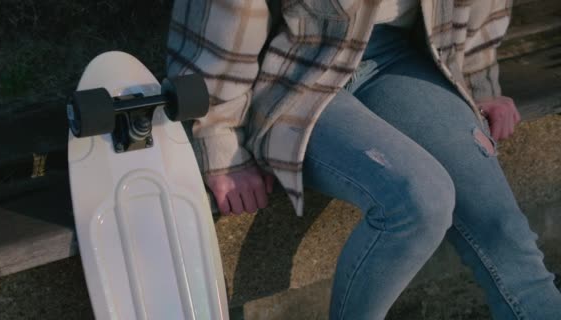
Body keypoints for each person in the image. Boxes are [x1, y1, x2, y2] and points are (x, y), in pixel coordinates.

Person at [166, 0, 561, 318]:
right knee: (421, 200)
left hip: (400, 56)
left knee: (504, 230)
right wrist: (219, 138)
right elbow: (222, 20)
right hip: (295, 69)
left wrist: (477, 80)